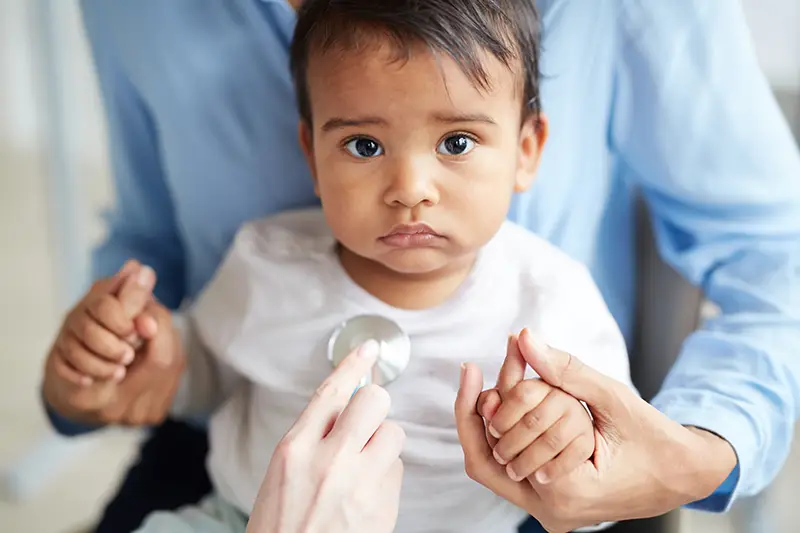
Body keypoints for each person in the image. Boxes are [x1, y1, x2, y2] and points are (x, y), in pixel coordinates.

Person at [42, 0, 800, 531]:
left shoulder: (553, 298)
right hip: (238, 503)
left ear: (529, 147)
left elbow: (772, 248)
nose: (409, 190)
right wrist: (134, 361)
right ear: (311, 150)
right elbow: (201, 352)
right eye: (364, 146)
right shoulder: (265, 258)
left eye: (457, 143)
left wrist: (642, 449)